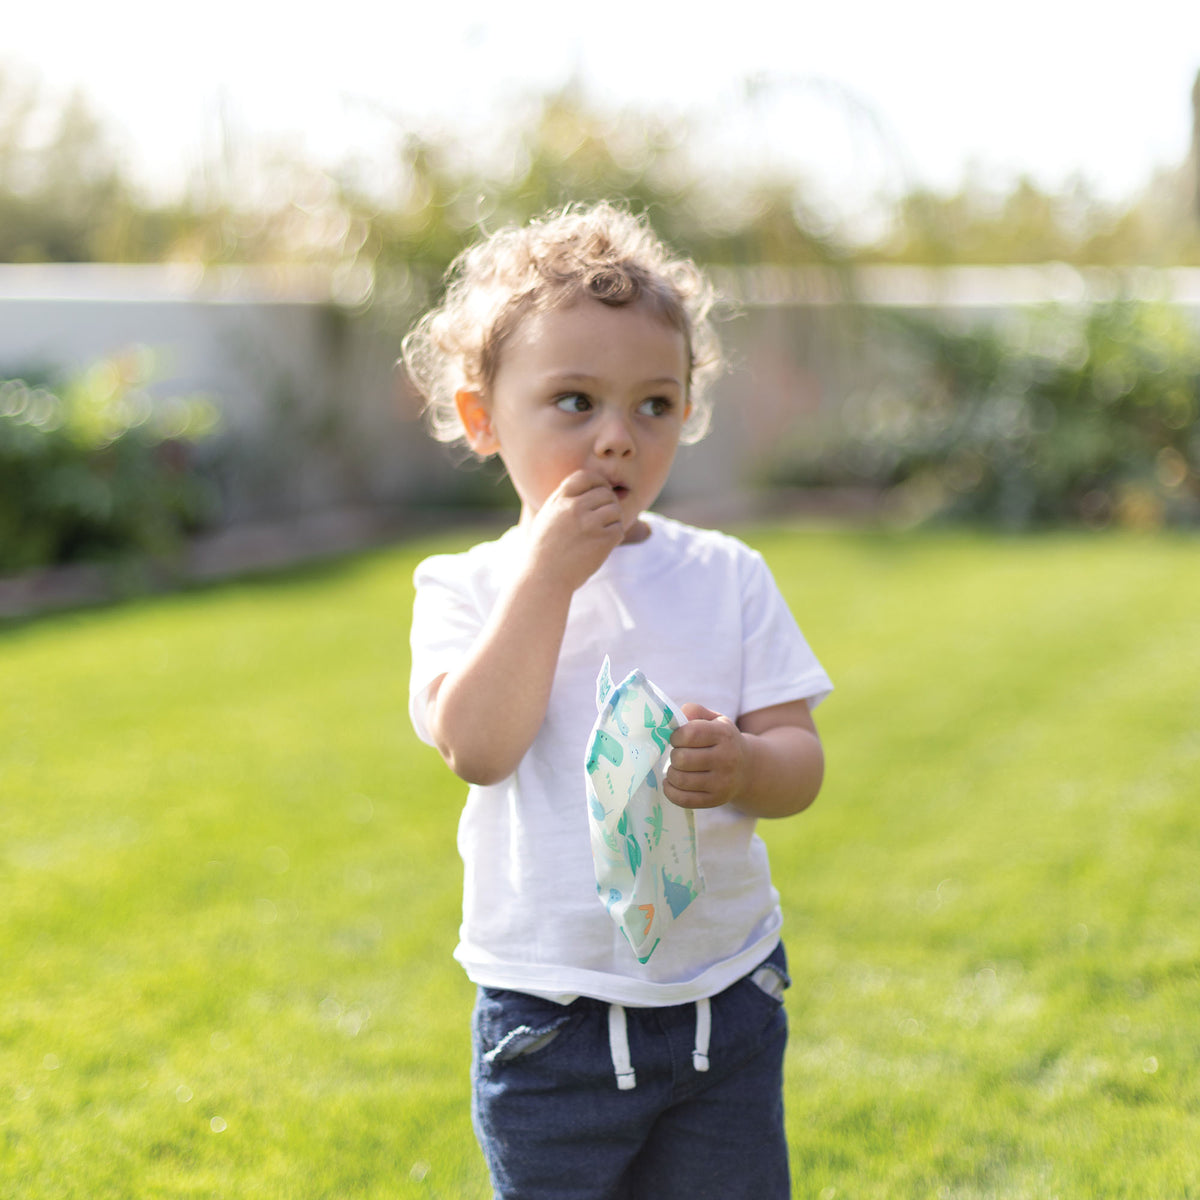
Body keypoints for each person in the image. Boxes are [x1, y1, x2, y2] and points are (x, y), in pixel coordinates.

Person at [403, 202, 832, 1200]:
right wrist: (548, 577)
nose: (616, 440)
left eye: (653, 405)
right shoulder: (464, 588)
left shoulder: (725, 576)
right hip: (550, 1022)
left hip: (722, 1000)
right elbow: (478, 746)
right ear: (481, 418)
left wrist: (745, 764)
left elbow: (800, 761)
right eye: (573, 401)